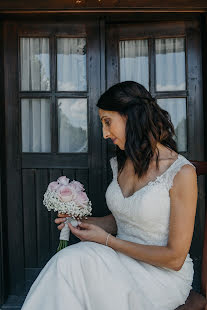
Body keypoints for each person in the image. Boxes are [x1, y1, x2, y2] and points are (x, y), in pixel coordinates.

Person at [21, 81, 197, 310]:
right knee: (68, 263)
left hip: (160, 278)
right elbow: (125, 219)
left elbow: (174, 259)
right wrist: (80, 223)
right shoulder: (121, 163)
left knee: (76, 265)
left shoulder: (181, 173)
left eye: (107, 122)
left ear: (132, 117)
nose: (104, 133)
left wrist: (106, 241)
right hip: (118, 260)